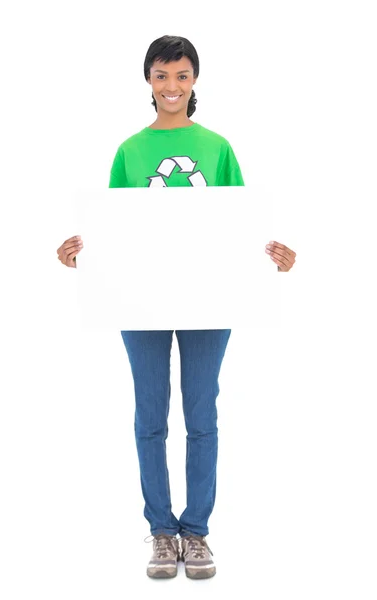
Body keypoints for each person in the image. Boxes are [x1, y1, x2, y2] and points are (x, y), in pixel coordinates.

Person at [57, 35, 296, 579]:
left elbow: (242, 225)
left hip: (209, 299)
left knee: (201, 415)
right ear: (148, 81)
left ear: (195, 81)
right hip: (140, 298)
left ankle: (197, 531)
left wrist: (275, 257)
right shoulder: (129, 151)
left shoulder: (218, 148)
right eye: (162, 75)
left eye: (182, 75)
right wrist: (80, 252)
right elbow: (113, 227)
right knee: (149, 416)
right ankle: (162, 532)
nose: (172, 86)